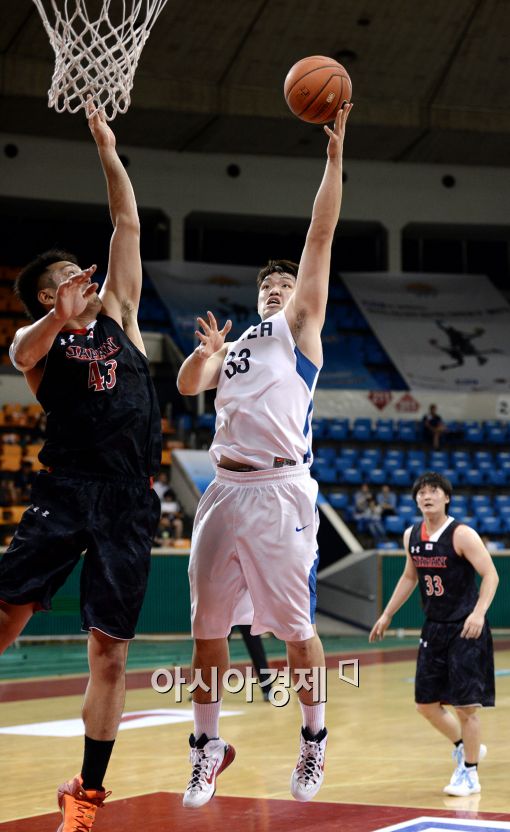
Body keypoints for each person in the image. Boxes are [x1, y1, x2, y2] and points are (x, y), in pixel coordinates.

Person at [177, 102, 352, 808]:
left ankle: (313, 740)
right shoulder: (239, 346)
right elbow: (190, 386)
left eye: (284, 287)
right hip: (223, 488)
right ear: (255, 297)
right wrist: (204, 355)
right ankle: (205, 746)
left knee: (297, 633)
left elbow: (320, 232)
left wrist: (335, 160)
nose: (275, 292)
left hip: (282, 493)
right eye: (266, 287)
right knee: (206, 631)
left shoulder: (298, 334)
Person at [0, 99, 162, 831]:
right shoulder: (45, 343)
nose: (84, 279)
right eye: (67, 278)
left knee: (110, 658)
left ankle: (87, 795)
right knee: (7, 610)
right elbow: (19, 355)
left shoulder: (123, 314)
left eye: (82, 273)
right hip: (66, 490)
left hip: (129, 499)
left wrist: (108, 148)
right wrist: (57, 317)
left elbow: (126, 224)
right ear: (46, 295)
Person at [370, 472, 499, 797]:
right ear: (416, 500)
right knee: (425, 704)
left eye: (434, 491)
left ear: (446, 497)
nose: (427, 496)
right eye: (422, 493)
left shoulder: (462, 534)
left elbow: (491, 575)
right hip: (435, 626)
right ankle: (463, 747)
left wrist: (479, 613)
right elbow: (409, 576)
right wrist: (387, 614)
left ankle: (470, 773)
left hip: (465, 628)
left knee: (465, 706)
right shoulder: (411, 534)